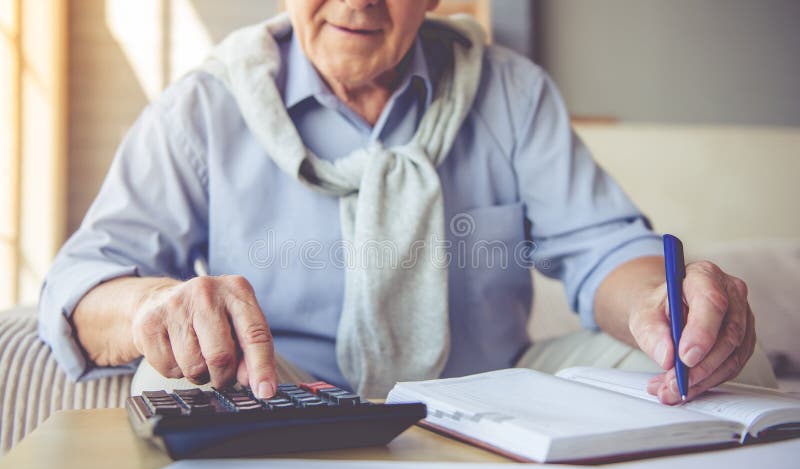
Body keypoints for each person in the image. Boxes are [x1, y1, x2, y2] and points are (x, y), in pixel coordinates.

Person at [39, 0, 775, 403]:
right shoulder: (202, 108)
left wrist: (659, 304)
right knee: (167, 370)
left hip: (494, 398)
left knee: (713, 363)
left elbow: (604, 248)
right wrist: (155, 305)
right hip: (288, 400)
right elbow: (80, 287)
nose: (359, 0)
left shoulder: (511, 92)